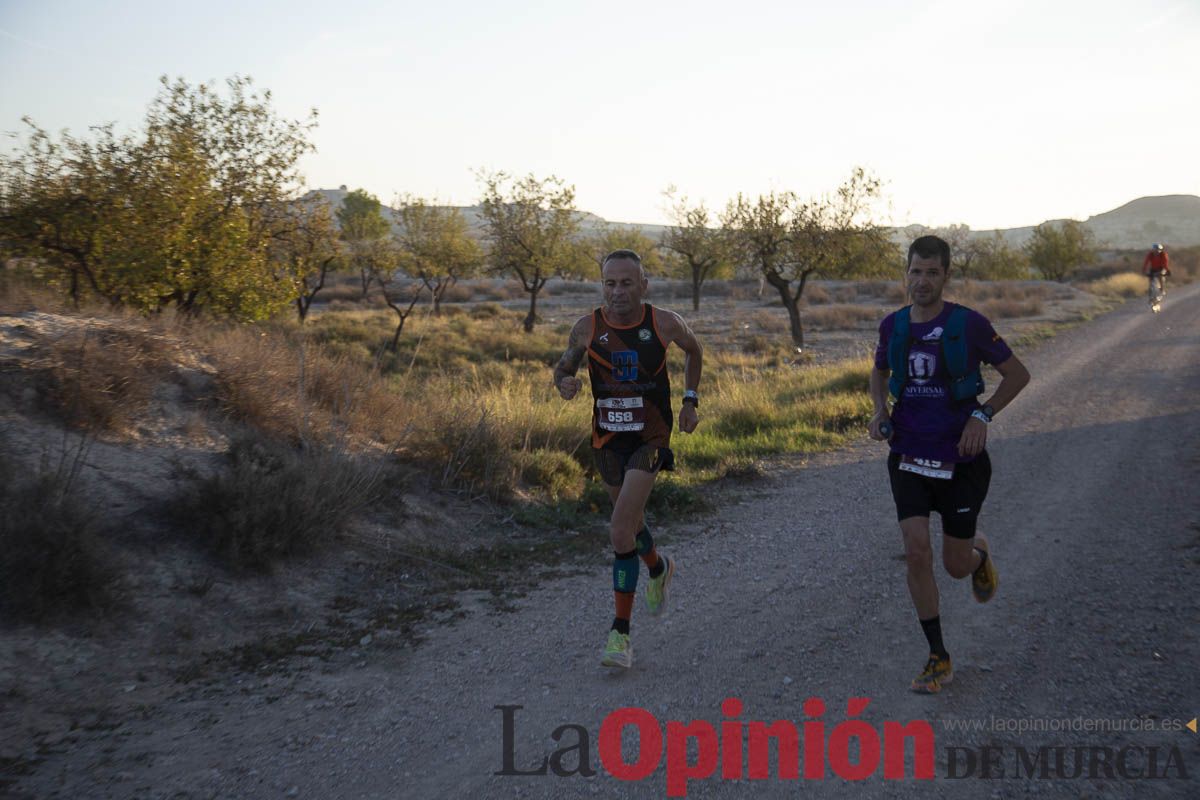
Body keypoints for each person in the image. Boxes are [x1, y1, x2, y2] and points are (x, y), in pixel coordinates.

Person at [869, 235, 1031, 694]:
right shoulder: (893, 326)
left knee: (955, 565)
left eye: (932, 273)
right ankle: (938, 656)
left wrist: (983, 414)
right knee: (916, 550)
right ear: (906, 273)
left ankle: (978, 553)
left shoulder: (969, 324)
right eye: (915, 271)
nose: (922, 281)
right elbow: (878, 372)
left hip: (961, 459)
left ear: (946, 276)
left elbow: (1018, 375)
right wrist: (879, 410)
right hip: (907, 455)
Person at [553, 249, 703, 669]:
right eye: (610, 283)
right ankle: (658, 567)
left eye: (626, 282)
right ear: (602, 285)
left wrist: (690, 400)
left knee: (620, 530)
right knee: (631, 523)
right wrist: (564, 383)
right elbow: (562, 368)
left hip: (650, 435)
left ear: (643, 285)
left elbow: (695, 351)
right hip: (607, 438)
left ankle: (620, 635)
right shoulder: (587, 328)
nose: (618, 291)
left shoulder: (664, 322)